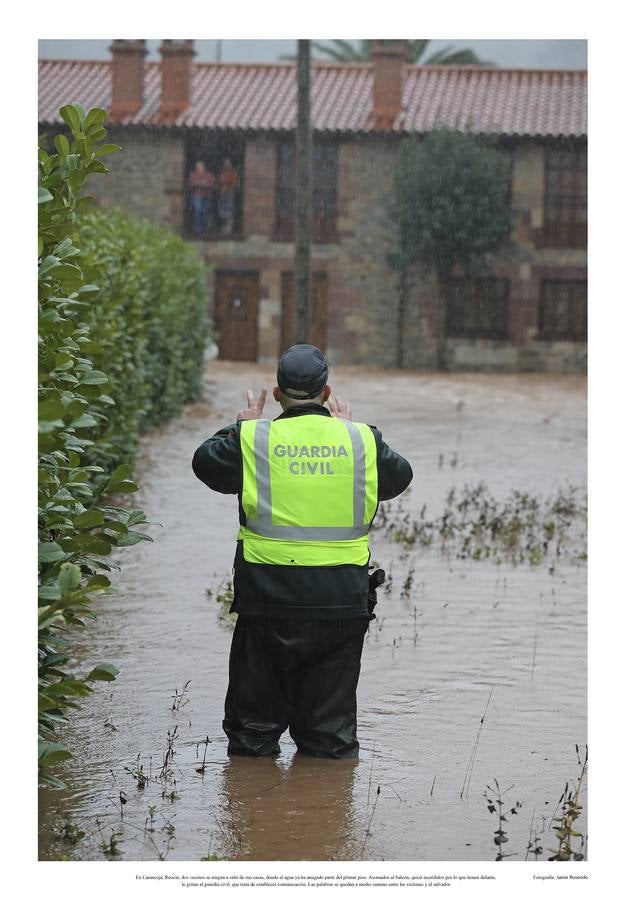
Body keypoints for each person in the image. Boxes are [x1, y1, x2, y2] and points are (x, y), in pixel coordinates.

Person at [192, 344, 412, 759]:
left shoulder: (254, 439)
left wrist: (239, 427)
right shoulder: (361, 439)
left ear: (277, 393)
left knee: (252, 736)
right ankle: (321, 815)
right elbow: (399, 478)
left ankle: (254, 812)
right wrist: (350, 436)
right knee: (329, 741)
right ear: (326, 394)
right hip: (341, 603)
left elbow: (205, 464)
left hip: (266, 602)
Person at [188, 160, 215, 235]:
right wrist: (201, 183)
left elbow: (212, 183)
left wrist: (203, 184)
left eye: (201, 166)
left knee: (205, 212)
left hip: (206, 195)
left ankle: (204, 229)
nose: (200, 168)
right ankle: (198, 229)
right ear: (196, 167)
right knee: (197, 211)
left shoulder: (208, 175)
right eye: (198, 167)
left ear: (204, 167)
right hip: (196, 195)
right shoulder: (193, 174)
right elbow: (192, 184)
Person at [217, 158, 238, 234]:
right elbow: (218, 181)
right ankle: (224, 227)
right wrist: (221, 187)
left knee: (229, 210)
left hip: (229, 194)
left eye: (228, 163)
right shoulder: (221, 172)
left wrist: (227, 187)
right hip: (222, 194)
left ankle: (229, 228)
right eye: (225, 163)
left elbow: (234, 183)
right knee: (222, 211)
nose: (226, 164)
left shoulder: (233, 173)